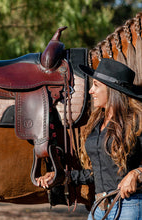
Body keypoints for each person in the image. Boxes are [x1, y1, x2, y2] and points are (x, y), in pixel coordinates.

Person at [36, 58, 142, 220]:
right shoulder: (97, 123)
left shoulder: (136, 122)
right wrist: (62, 175)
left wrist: (137, 173)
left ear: (112, 90)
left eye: (96, 86)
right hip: (98, 207)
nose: (91, 91)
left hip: (129, 206)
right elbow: (94, 173)